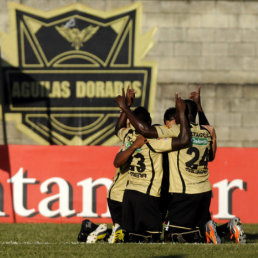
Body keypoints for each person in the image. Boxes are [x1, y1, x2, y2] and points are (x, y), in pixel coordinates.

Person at [114, 92, 190, 242]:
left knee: (132, 236)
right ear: (148, 123)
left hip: (129, 192)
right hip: (147, 194)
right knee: (153, 237)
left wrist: (126, 108)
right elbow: (183, 140)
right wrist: (181, 114)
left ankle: (116, 233)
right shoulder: (153, 141)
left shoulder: (128, 135)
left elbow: (118, 128)